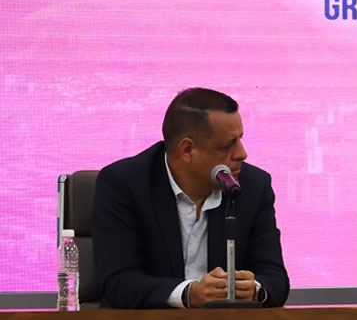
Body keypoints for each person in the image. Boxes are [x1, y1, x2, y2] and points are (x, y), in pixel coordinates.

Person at [92, 88, 290, 308]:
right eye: (227, 145)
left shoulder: (252, 186)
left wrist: (255, 289)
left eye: (240, 139)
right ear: (187, 150)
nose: (242, 154)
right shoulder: (125, 184)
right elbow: (117, 281)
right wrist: (189, 294)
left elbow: (275, 279)